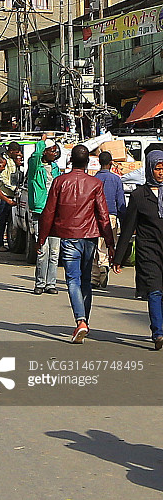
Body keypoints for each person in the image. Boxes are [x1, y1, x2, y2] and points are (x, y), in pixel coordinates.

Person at [38, 145, 114, 344]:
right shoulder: (95, 184)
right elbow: (103, 215)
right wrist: (110, 242)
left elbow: (48, 212)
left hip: (69, 236)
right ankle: (84, 322)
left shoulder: (60, 182)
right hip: (89, 237)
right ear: (88, 162)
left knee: (73, 280)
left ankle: (80, 321)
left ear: (70, 160)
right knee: (85, 280)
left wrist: (41, 238)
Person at [113, 150, 163, 350]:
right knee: (155, 291)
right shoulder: (138, 195)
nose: (161, 173)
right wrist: (118, 257)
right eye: (157, 169)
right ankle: (158, 332)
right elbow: (128, 229)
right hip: (148, 251)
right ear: (150, 169)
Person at [28, 135, 61, 294]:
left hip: (55, 212)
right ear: (44, 152)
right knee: (43, 250)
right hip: (40, 212)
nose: (55, 153)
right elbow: (34, 156)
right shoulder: (35, 167)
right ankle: (40, 283)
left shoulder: (55, 168)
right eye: (51, 150)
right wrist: (41, 142)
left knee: (55, 251)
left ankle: (51, 284)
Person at [91, 151, 125, 289]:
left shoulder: (94, 179)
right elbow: (121, 202)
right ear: (111, 163)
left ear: (99, 162)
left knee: (95, 246)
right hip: (111, 216)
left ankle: (94, 277)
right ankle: (104, 265)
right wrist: (124, 221)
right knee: (107, 244)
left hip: (95, 216)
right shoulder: (116, 180)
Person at [0, 142, 22, 252]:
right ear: (11, 152)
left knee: (12, 221)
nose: (18, 154)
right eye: (16, 152)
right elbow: (3, 179)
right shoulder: (4, 161)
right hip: (5, 195)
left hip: (13, 195)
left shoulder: (14, 161)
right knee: (2, 220)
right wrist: (13, 188)